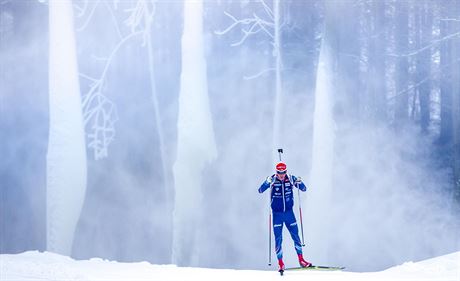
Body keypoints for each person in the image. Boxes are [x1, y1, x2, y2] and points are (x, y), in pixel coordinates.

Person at [258, 162, 311, 271]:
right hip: (277, 215)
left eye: (283, 172)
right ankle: (280, 263)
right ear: (276, 172)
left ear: (286, 171)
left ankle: (301, 260)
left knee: (296, 235)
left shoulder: (291, 179)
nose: (281, 175)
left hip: (289, 213)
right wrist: (266, 182)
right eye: (279, 172)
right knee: (278, 239)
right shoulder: (272, 180)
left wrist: (299, 182)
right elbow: (260, 190)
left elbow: (304, 189)